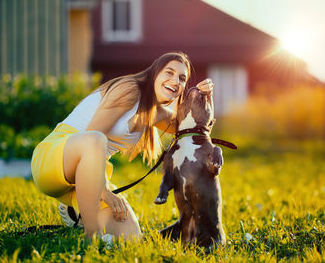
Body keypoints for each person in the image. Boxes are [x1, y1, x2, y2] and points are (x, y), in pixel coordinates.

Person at [31, 52, 214, 240]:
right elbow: (91, 137)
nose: (175, 81)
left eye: (182, 78)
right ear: (154, 73)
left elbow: (197, 129)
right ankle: (91, 236)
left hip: (87, 178)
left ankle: (73, 213)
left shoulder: (156, 113)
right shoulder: (130, 89)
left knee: (131, 237)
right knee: (96, 139)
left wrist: (205, 98)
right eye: (169, 72)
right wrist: (103, 190)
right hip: (52, 161)